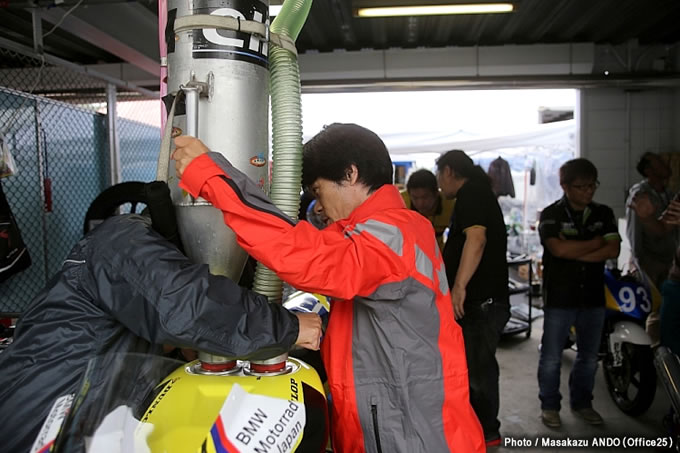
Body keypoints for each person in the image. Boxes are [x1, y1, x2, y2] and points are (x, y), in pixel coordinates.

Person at [172, 124, 485, 453]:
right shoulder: (395, 227)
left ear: (350, 174)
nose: (318, 207)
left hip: (412, 433)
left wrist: (209, 177)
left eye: (319, 192)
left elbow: (304, 256)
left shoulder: (393, 235)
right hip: (393, 420)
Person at [0, 211, 322, 453]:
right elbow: (187, 305)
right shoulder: (123, 243)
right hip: (44, 425)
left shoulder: (135, 250)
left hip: (85, 422)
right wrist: (288, 327)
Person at [537, 158, 621, 428]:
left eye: (591, 186)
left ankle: (583, 403)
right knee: (551, 358)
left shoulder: (604, 213)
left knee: (588, 357)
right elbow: (558, 251)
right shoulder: (551, 214)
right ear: (565, 186)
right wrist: (595, 244)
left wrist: (576, 251)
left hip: (594, 297)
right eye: (581, 186)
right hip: (560, 297)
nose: (587, 191)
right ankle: (549, 406)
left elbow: (613, 250)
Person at [435, 150, 510, 447]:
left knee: (479, 372)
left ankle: (487, 433)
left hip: (482, 301)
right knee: (473, 368)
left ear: (450, 171)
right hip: (481, 301)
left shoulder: (473, 193)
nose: (440, 184)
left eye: (440, 176)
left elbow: (476, 238)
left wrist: (459, 287)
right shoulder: (475, 193)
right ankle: (478, 429)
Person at [625, 152, 677, 289]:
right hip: (650, 262)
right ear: (648, 170)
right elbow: (633, 230)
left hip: (669, 260)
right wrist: (638, 262)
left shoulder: (669, 194)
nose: (665, 164)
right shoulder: (640, 195)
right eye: (659, 162)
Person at [401, 168, 455, 250]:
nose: (420, 203)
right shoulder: (401, 203)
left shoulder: (450, 204)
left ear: (436, 193)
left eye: (425, 197)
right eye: (415, 198)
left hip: (438, 254)